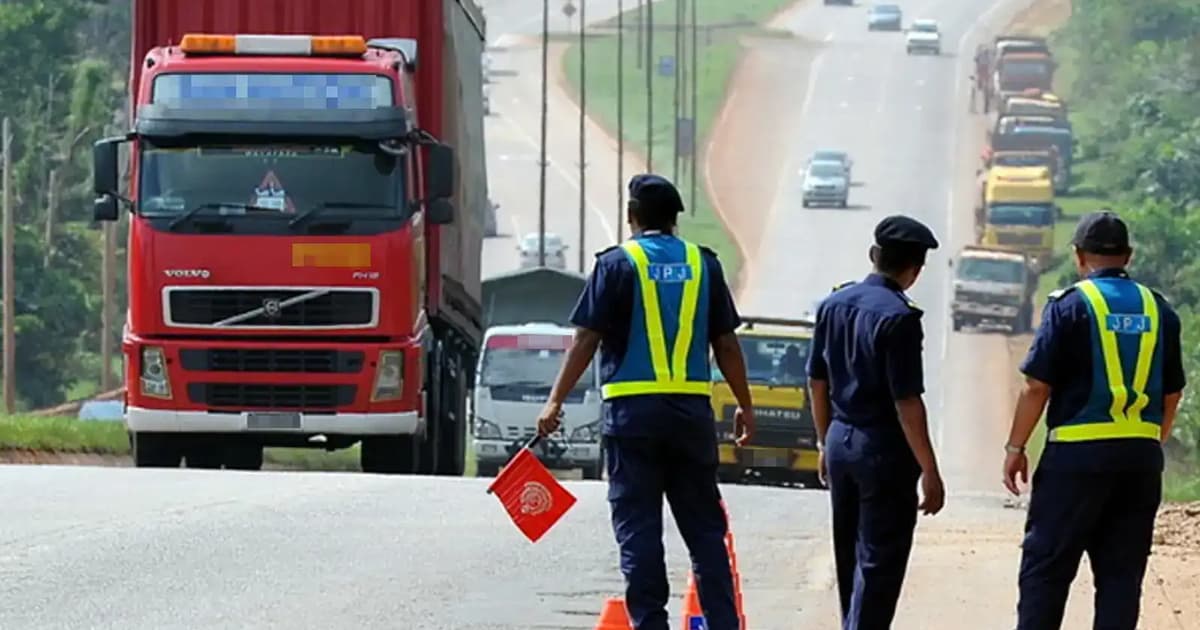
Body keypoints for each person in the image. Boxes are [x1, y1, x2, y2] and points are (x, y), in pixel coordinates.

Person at [535, 173, 755, 630]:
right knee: (704, 530)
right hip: (690, 415)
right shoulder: (703, 264)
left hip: (632, 416)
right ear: (676, 219)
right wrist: (745, 404)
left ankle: (650, 623)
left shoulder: (617, 264)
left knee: (639, 529)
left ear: (631, 216)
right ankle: (723, 623)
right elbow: (727, 345)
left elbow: (585, 340)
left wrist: (555, 401)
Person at [1003, 211, 1185, 630]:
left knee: (1046, 570)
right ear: (1128, 256)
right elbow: (1172, 393)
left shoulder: (1069, 306)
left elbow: (1036, 387)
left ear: (1079, 256)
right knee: (1121, 577)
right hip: (1139, 462)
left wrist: (1015, 448)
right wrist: (1149, 444)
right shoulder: (1160, 310)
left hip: (1075, 460)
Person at [806, 215, 947, 630]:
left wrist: (822, 443)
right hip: (881, 451)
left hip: (839, 439)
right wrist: (930, 469)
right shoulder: (900, 318)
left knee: (849, 556)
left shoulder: (832, 304)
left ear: (874, 256)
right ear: (915, 271)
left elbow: (816, 381)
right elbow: (906, 402)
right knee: (879, 563)